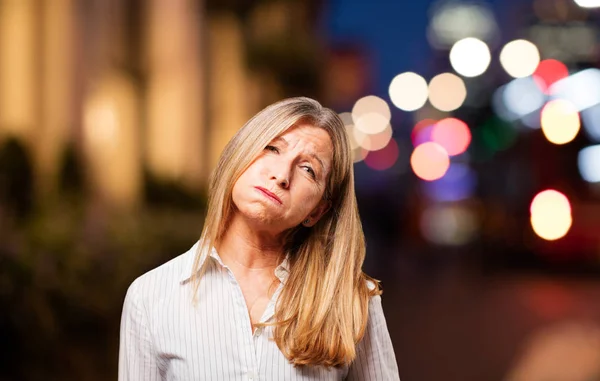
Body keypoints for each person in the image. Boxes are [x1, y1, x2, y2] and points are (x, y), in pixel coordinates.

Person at [118, 97, 400, 380]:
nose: (281, 175)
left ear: (317, 211)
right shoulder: (150, 297)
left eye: (308, 169)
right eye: (272, 148)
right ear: (239, 156)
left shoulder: (352, 299)